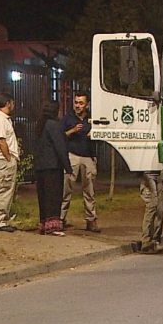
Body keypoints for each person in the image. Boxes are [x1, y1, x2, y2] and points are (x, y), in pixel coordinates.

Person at [60, 92, 100, 232]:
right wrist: (72, 130)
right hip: (72, 156)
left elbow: (101, 134)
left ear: (87, 104)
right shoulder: (68, 118)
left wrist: (94, 134)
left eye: (81, 103)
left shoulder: (92, 118)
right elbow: (60, 135)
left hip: (88, 156)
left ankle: (91, 220)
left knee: (89, 190)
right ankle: (61, 219)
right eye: (76, 102)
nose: (77, 105)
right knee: (66, 188)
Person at [33, 101, 73, 236]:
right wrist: (68, 167)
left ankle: (44, 224)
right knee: (53, 196)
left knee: (43, 196)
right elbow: (60, 146)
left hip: (41, 166)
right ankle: (53, 227)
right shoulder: (54, 125)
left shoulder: (40, 125)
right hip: (53, 166)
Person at [0, 92, 19, 232]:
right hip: (4, 159)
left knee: (4, 189)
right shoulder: (0, 119)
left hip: (3, 159)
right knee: (3, 190)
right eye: (12, 103)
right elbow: (1, 140)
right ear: (8, 103)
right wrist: (8, 157)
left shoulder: (1, 118)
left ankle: (0, 219)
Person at [132, 171, 163, 254]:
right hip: (148, 175)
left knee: (160, 208)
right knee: (152, 206)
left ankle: (155, 240)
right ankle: (146, 241)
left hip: (161, 173)